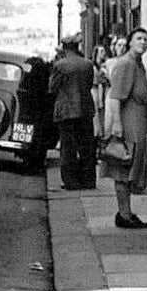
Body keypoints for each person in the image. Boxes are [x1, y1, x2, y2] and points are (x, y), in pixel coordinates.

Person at [103, 28, 147, 229]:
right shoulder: (126, 64)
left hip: (137, 122)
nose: (143, 42)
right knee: (124, 167)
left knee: (129, 168)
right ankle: (124, 214)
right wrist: (116, 125)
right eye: (139, 38)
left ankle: (126, 212)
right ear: (130, 41)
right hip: (128, 122)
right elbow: (115, 97)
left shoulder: (137, 64)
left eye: (146, 39)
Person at [49, 35, 97, 190]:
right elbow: (89, 85)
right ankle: (88, 180)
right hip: (85, 109)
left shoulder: (60, 65)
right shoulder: (87, 64)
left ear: (64, 47)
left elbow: (52, 87)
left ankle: (71, 181)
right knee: (87, 146)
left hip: (66, 110)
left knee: (68, 147)